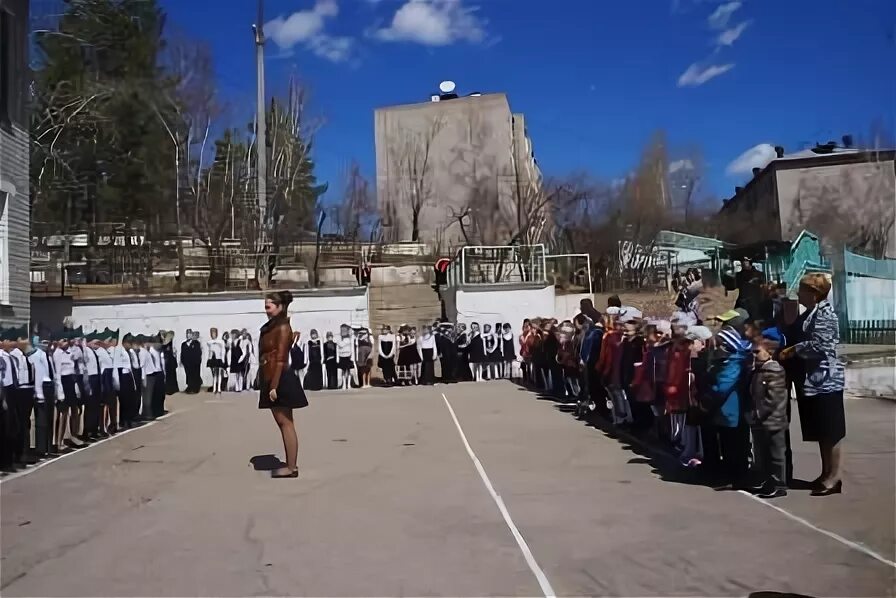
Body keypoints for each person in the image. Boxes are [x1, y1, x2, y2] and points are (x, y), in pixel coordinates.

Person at [779, 272, 846, 496]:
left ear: (814, 294)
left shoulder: (825, 315)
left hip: (826, 380)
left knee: (831, 431)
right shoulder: (809, 313)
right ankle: (825, 472)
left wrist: (794, 350)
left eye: (803, 290)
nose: (799, 293)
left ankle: (834, 476)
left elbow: (821, 345)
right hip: (811, 380)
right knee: (821, 430)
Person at [258, 291, 307, 478]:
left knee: (285, 423)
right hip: (271, 375)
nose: (266, 310)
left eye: (269, 306)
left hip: (279, 377)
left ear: (279, 307)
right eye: (265, 306)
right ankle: (291, 465)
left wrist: (274, 386)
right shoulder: (273, 326)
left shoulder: (282, 327)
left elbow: (280, 359)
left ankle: (291, 467)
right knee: (284, 423)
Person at [708, 308, 753, 488]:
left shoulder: (734, 359)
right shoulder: (725, 358)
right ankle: (730, 473)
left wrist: (709, 395)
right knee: (727, 442)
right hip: (725, 410)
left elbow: (724, 385)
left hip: (732, 409)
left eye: (727, 325)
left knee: (734, 443)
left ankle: (736, 477)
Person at [748, 334, 789, 499]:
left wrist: (763, 415)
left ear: (770, 353)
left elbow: (775, 399)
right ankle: (767, 481)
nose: (754, 355)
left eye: (757, 352)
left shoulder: (774, 370)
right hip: (761, 419)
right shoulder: (758, 370)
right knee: (763, 453)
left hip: (773, 420)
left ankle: (779, 484)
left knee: (776, 453)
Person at [180, 330, 202, 394]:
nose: (188, 335)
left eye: (189, 334)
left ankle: (196, 388)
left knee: (195, 375)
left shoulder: (196, 343)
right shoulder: (183, 344)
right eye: (187, 334)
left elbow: (198, 353)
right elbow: (182, 353)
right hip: (187, 362)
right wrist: (182, 361)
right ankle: (189, 386)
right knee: (188, 375)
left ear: (192, 335)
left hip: (194, 362)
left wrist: (198, 361)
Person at [336, 325, 357, 390]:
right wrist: (337, 358)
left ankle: (349, 384)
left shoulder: (350, 338)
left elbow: (352, 348)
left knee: (349, 371)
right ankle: (344, 384)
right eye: (342, 330)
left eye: (344, 330)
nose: (343, 331)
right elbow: (338, 348)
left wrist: (352, 357)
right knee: (343, 371)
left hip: (348, 356)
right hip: (341, 356)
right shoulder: (339, 338)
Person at [207, 328, 227, 395]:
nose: (213, 335)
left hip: (219, 359)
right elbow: (209, 346)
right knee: (214, 374)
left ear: (217, 334)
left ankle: (219, 388)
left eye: (214, 333)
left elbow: (223, 351)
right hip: (213, 359)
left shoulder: (220, 342)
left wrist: (223, 359)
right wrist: (209, 359)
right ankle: (215, 388)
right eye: (212, 333)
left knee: (219, 374)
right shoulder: (210, 342)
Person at [161, 331, 180, 395]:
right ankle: (170, 388)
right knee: (168, 375)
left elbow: (174, 351)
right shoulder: (163, 343)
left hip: (170, 360)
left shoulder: (171, 342)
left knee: (171, 375)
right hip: (166, 360)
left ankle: (171, 389)